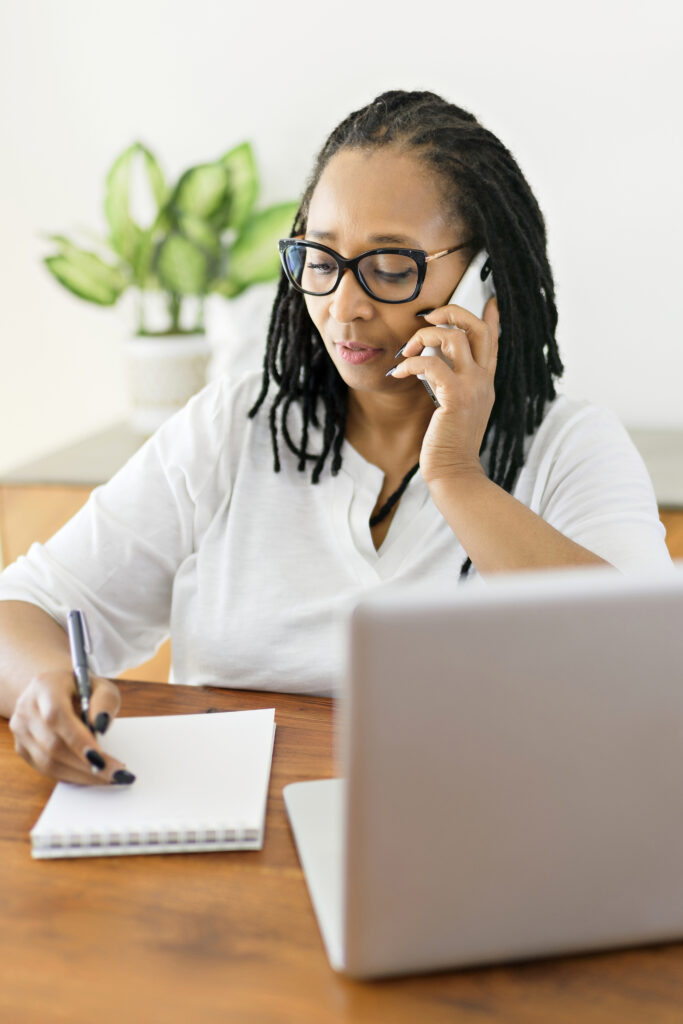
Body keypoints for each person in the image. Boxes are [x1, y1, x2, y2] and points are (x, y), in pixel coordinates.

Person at [0, 90, 672, 787]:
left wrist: (457, 479)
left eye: (388, 267)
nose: (341, 306)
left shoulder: (568, 447)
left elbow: (649, 674)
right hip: (236, 847)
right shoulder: (237, 426)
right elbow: (25, 607)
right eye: (319, 261)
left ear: (483, 278)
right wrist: (44, 689)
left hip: (467, 844)